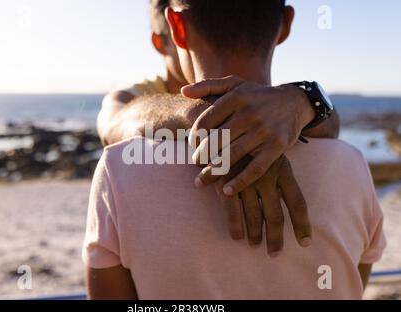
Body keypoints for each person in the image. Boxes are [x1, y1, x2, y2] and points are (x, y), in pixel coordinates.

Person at [83, 0, 386, 299]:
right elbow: (353, 286)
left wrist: (304, 100)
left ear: (176, 26)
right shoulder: (352, 165)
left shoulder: (120, 170)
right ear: (285, 24)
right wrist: (223, 123)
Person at [97, 0, 341, 255]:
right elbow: (114, 124)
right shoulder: (140, 97)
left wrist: (304, 100)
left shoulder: (267, 105)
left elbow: (332, 125)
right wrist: (211, 117)